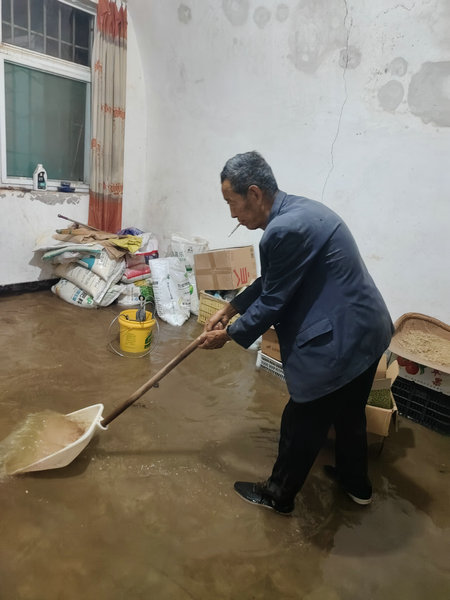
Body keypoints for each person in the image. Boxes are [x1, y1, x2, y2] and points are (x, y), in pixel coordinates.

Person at [198, 151, 394, 515]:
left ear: (254, 193)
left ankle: (278, 495)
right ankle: (356, 484)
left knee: (301, 419)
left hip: (340, 340)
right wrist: (231, 307)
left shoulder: (282, 230)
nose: (233, 215)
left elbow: (274, 301)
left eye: (232, 203)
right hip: (369, 330)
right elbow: (275, 279)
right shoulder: (302, 210)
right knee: (350, 413)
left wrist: (229, 335)